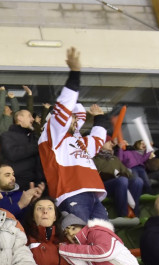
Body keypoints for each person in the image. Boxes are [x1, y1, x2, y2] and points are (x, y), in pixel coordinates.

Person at [38, 47, 110, 221]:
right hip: (69, 193)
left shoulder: (78, 140)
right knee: (80, 241)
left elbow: (98, 140)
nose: (75, 121)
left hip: (93, 193)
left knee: (105, 241)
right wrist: (75, 74)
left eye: (77, 119)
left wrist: (99, 118)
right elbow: (63, 106)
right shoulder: (52, 135)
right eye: (72, 117)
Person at [92, 138, 143, 218]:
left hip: (120, 182)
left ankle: (134, 212)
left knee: (138, 181)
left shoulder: (114, 158)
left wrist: (123, 174)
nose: (112, 144)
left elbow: (127, 173)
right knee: (122, 181)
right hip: (104, 185)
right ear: (100, 144)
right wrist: (111, 174)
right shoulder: (93, 158)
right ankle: (123, 214)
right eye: (108, 142)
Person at [0, 107, 45, 190]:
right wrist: (37, 147)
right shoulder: (7, 136)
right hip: (18, 184)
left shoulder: (34, 137)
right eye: (29, 116)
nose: (32, 119)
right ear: (19, 118)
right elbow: (12, 154)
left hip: (37, 184)